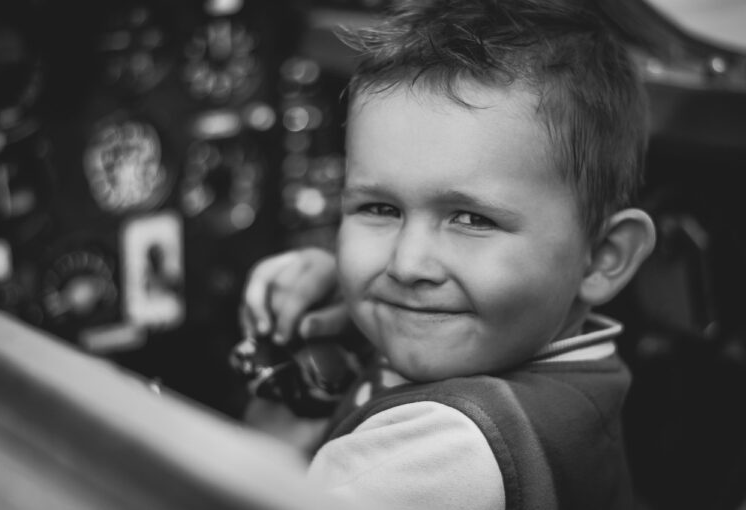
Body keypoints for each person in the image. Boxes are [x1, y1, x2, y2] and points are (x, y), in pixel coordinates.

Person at [239, 0, 656, 508]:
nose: (407, 265)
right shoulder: (578, 371)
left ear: (603, 257)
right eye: (380, 208)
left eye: (472, 219)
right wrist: (352, 313)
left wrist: (270, 434)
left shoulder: (441, 456)